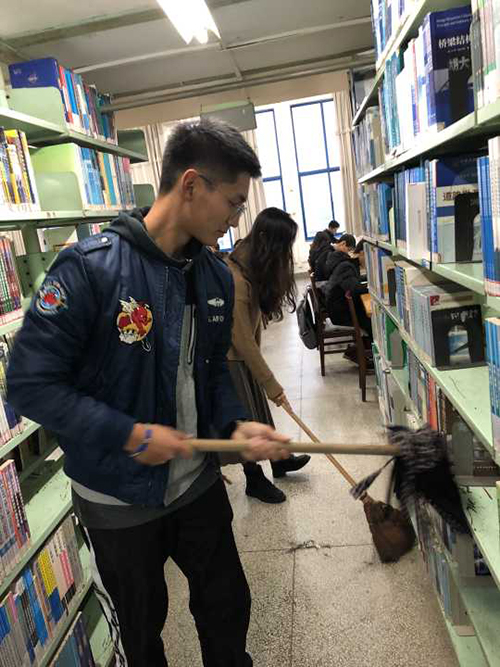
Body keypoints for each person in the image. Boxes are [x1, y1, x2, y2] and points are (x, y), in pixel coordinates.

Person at [6, 119, 292, 667]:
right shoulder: (89, 269)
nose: (237, 220)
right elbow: (29, 383)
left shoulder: (212, 275)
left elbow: (210, 373)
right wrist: (129, 435)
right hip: (116, 500)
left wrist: (235, 426)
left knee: (228, 607)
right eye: (233, 203)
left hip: (195, 486)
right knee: (142, 635)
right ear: (191, 185)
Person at [226, 208, 311, 503]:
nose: (285, 254)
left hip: (242, 357)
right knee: (244, 417)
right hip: (231, 360)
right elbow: (242, 340)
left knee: (257, 409)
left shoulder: (250, 262)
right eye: (283, 246)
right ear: (267, 241)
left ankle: (279, 460)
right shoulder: (236, 279)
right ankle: (254, 479)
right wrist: (271, 383)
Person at [322, 233, 372, 342]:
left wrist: (369, 279)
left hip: (339, 308)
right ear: (362, 253)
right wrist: (374, 289)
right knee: (371, 318)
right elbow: (355, 289)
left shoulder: (347, 263)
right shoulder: (347, 266)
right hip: (341, 314)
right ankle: (368, 345)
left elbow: (352, 281)